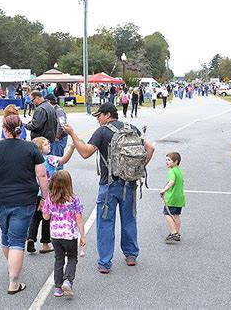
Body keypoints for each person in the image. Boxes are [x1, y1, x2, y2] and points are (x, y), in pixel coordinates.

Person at [63, 102, 154, 273]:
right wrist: (138, 170)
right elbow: (150, 147)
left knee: (105, 222)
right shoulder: (131, 128)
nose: (98, 119)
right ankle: (131, 254)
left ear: (107, 115)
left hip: (109, 184)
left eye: (99, 115)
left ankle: (105, 262)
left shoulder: (103, 131)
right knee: (129, 219)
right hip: (130, 183)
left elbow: (85, 152)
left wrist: (72, 134)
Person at [0, 114, 48, 295]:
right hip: (24, 201)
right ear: (21, 129)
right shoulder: (31, 149)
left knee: (5, 234)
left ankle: (12, 265)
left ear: (4, 129)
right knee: (18, 240)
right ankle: (14, 281)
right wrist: (45, 197)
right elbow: (42, 175)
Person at [27, 137, 75, 254]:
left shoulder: (31, 160)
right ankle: (45, 244)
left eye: (49, 144)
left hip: (34, 193)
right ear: (39, 148)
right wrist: (72, 148)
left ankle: (31, 238)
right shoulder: (49, 159)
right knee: (46, 218)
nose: (49, 146)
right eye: (45, 144)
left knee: (35, 217)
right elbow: (63, 160)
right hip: (48, 193)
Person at [42, 170, 85, 298]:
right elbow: (79, 219)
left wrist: (46, 208)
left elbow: (45, 217)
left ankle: (58, 288)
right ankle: (68, 280)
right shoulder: (74, 199)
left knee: (59, 259)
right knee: (72, 258)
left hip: (55, 235)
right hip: (70, 235)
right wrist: (83, 236)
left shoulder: (50, 198)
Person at [160, 152, 186, 243]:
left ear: (176, 161)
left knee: (167, 214)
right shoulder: (178, 170)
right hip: (180, 197)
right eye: (166, 160)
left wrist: (164, 190)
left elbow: (171, 181)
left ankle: (174, 232)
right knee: (176, 215)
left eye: (169, 160)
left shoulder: (171, 171)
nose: (167, 162)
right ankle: (177, 233)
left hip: (172, 197)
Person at [46, 94, 68, 162]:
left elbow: (62, 124)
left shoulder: (58, 110)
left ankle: (59, 172)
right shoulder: (52, 110)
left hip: (59, 138)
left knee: (57, 159)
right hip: (54, 137)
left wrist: (57, 136)